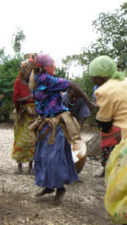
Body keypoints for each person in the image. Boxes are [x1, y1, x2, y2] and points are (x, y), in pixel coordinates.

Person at [28, 54, 95, 205]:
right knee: (44, 156)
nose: (54, 67)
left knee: (53, 157)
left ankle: (60, 189)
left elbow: (72, 84)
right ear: (44, 67)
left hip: (56, 124)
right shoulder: (41, 78)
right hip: (46, 123)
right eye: (52, 65)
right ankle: (49, 186)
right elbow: (71, 84)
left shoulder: (45, 79)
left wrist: (88, 102)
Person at [88, 55, 127, 224]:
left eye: (93, 77)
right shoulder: (124, 81)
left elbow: (104, 122)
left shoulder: (103, 91)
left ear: (101, 76)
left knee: (117, 181)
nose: (92, 80)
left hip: (120, 139)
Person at [12, 57, 36, 174]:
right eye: (27, 70)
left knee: (32, 140)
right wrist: (27, 98)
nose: (29, 73)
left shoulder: (34, 83)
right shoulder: (18, 82)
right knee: (20, 140)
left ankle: (31, 167)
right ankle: (19, 166)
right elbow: (16, 99)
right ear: (23, 71)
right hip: (22, 115)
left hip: (33, 116)